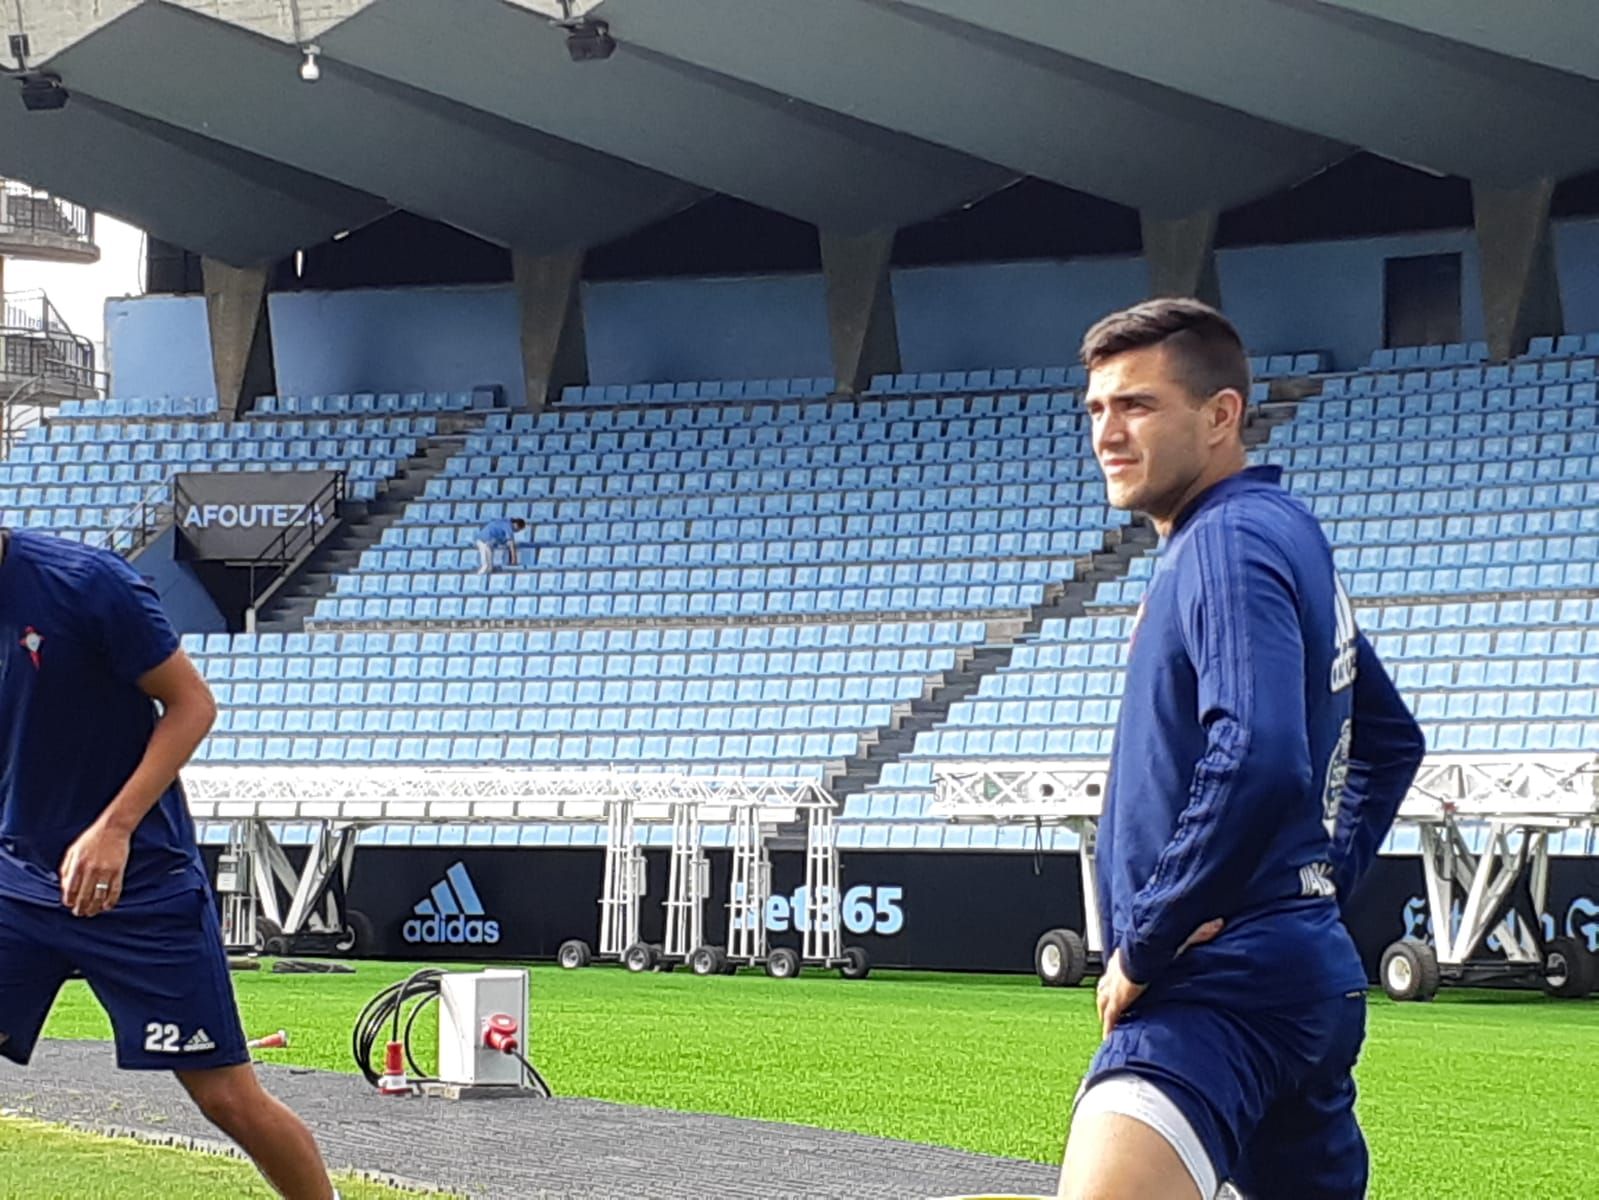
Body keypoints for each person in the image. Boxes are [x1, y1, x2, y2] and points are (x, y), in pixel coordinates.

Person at [1057, 299, 1427, 1200]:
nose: (1108, 431)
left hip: (1215, 992)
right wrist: (1311, 890)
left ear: (1220, 415)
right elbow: (1388, 737)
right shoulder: (1278, 532)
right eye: (1096, 409)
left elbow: (1259, 755)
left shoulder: (1224, 542)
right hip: (1296, 980)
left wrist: (1147, 943)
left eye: (1138, 405)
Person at [0, 528, 337, 1200]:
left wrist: (114, 828)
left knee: (228, 1101)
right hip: (17, 881)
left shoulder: (88, 582)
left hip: (143, 885)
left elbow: (192, 704)